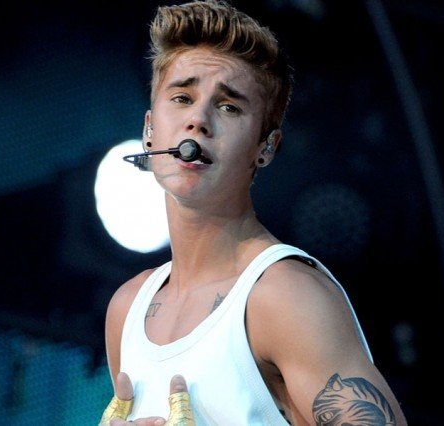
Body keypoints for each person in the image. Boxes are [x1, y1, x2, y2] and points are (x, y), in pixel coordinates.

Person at [100, 1, 408, 424]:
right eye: (183, 97)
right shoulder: (127, 308)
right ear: (149, 130)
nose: (198, 120)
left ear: (266, 147)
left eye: (229, 106)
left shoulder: (285, 296)